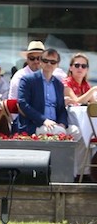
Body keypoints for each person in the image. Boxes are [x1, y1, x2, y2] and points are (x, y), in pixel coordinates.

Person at [17, 48, 85, 179]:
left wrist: (63, 123)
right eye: (46, 61)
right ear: (41, 62)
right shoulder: (28, 80)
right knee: (57, 132)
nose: (49, 64)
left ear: (57, 65)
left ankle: (74, 173)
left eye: (53, 62)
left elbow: (61, 109)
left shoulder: (58, 84)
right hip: (34, 124)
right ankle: (59, 173)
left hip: (55, 125)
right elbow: (23, 104)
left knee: (78, 132)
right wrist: (43, 120)